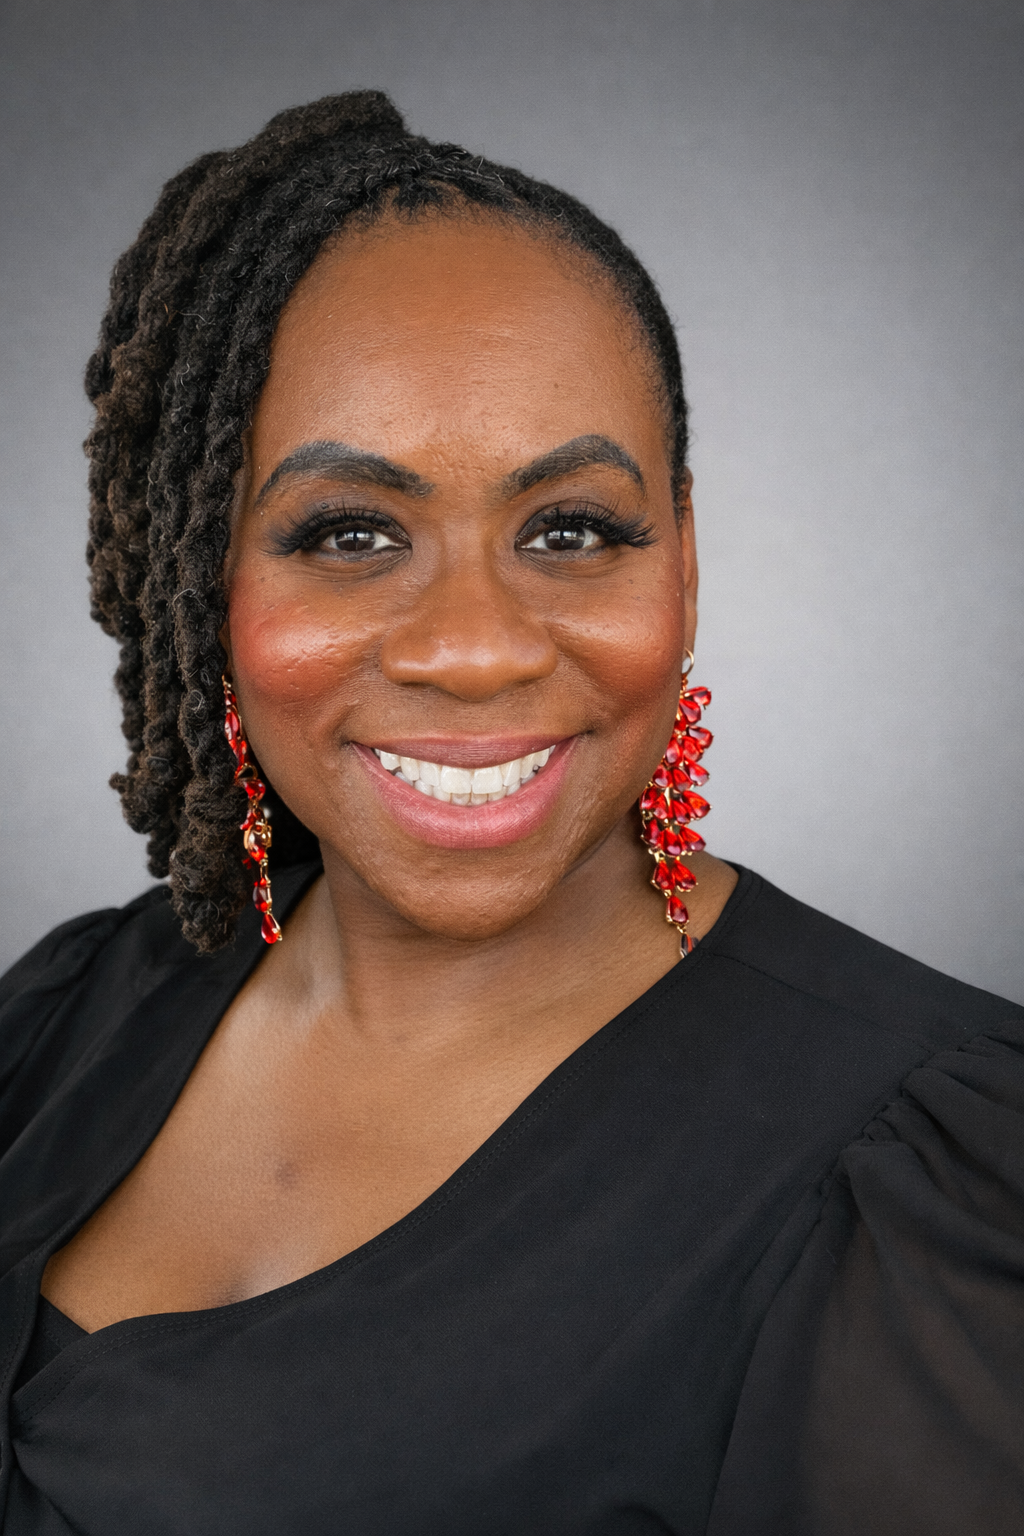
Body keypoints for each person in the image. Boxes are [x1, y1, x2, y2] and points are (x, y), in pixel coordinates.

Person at [0, 90, 1021, 1536]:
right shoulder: (69, 1014)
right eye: (349, 534)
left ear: (684, 557)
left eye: (572, 530)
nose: (474, 646)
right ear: (201, 587)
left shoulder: (937, 1180)